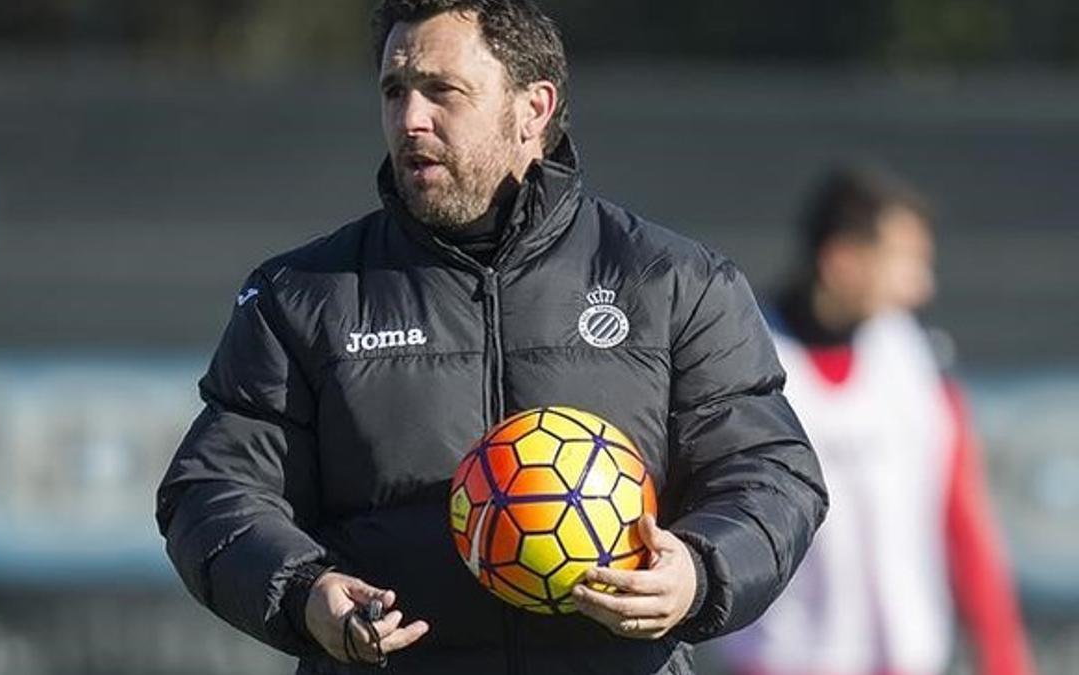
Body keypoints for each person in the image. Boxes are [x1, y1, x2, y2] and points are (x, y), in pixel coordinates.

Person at [155, 2, 827, 673]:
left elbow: (771, 473)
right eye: (395, 91)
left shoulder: (676, 282)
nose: (410, 119)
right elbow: (213, 491)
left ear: (533, 109)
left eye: (442, 91)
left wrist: (698, 569)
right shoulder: (301, 294)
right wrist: (305, 592)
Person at [716, 165, 1035, 675]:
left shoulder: (911, 358)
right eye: (905, 263)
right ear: (842, 261)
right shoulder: (745, 360)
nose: (922, 286)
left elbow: (962, 511)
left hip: (907, 660)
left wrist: (1003, 656)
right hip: (784, 661)